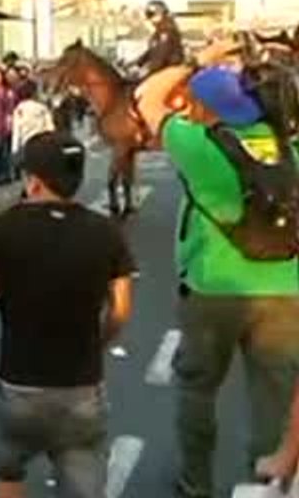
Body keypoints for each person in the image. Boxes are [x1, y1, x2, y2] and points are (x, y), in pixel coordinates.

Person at [136, 41, 299, 498]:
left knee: (197, 391)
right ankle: (269, 485)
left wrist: (198, 60)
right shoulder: (291, 147)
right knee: (275, 400)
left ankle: (196, 483)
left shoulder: (199, 145)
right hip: (286, 289)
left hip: (213, 288)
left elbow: (147, 97)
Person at [0, 132, 135, 498]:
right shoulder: (105, 232)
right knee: (82, 477)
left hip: (18, 382)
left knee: (8, 470)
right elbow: (121, 308)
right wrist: (100, 341)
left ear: (33, 180)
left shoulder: (6, 226)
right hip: (81, 385)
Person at [10, 81, 55, 171]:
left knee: (28, 169)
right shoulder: (42, 107)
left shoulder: (19, 109)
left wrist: (14, 149)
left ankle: (30, 183)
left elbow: (17, 131)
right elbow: (50, 127)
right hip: (42, 142)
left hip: (26, 143)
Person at [133, 0, 186, 75]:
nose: (150, 20)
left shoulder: (168, 32)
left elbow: (161, 55)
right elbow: (152, 51)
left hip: (168, 73)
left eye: (151, 15)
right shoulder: (159, 32)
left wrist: (148, 70)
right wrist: (138, 63)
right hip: (161, 73)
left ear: (160, 14)